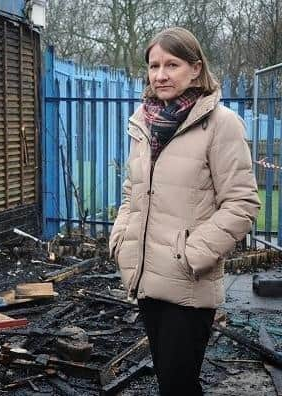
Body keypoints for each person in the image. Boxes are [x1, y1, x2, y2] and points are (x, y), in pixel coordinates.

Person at [109, 27, 260, 396]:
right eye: (154, 65)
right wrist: (121, 239)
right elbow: (133, 191)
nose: (160, 74)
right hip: (145, 275)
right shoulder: (143, 124)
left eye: (171, 64)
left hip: (187, 280)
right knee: (169, 379)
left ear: (195, 69)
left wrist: (189, 254)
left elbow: (242, 203)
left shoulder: (221, 124)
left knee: (178, 384)